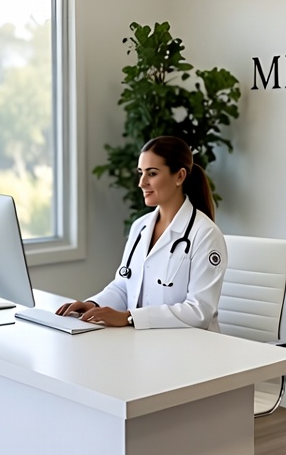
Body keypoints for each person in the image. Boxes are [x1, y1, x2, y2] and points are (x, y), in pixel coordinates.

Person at [56, 136, 228, 330]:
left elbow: (199, 312)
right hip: (144, 342)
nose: (142, 183)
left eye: (152, 174)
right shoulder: (140, 227)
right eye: (141, 173)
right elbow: (124, 286)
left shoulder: (205, 234)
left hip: (190, 348)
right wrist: (93, 305)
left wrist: (130, 317)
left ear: (180, 176)